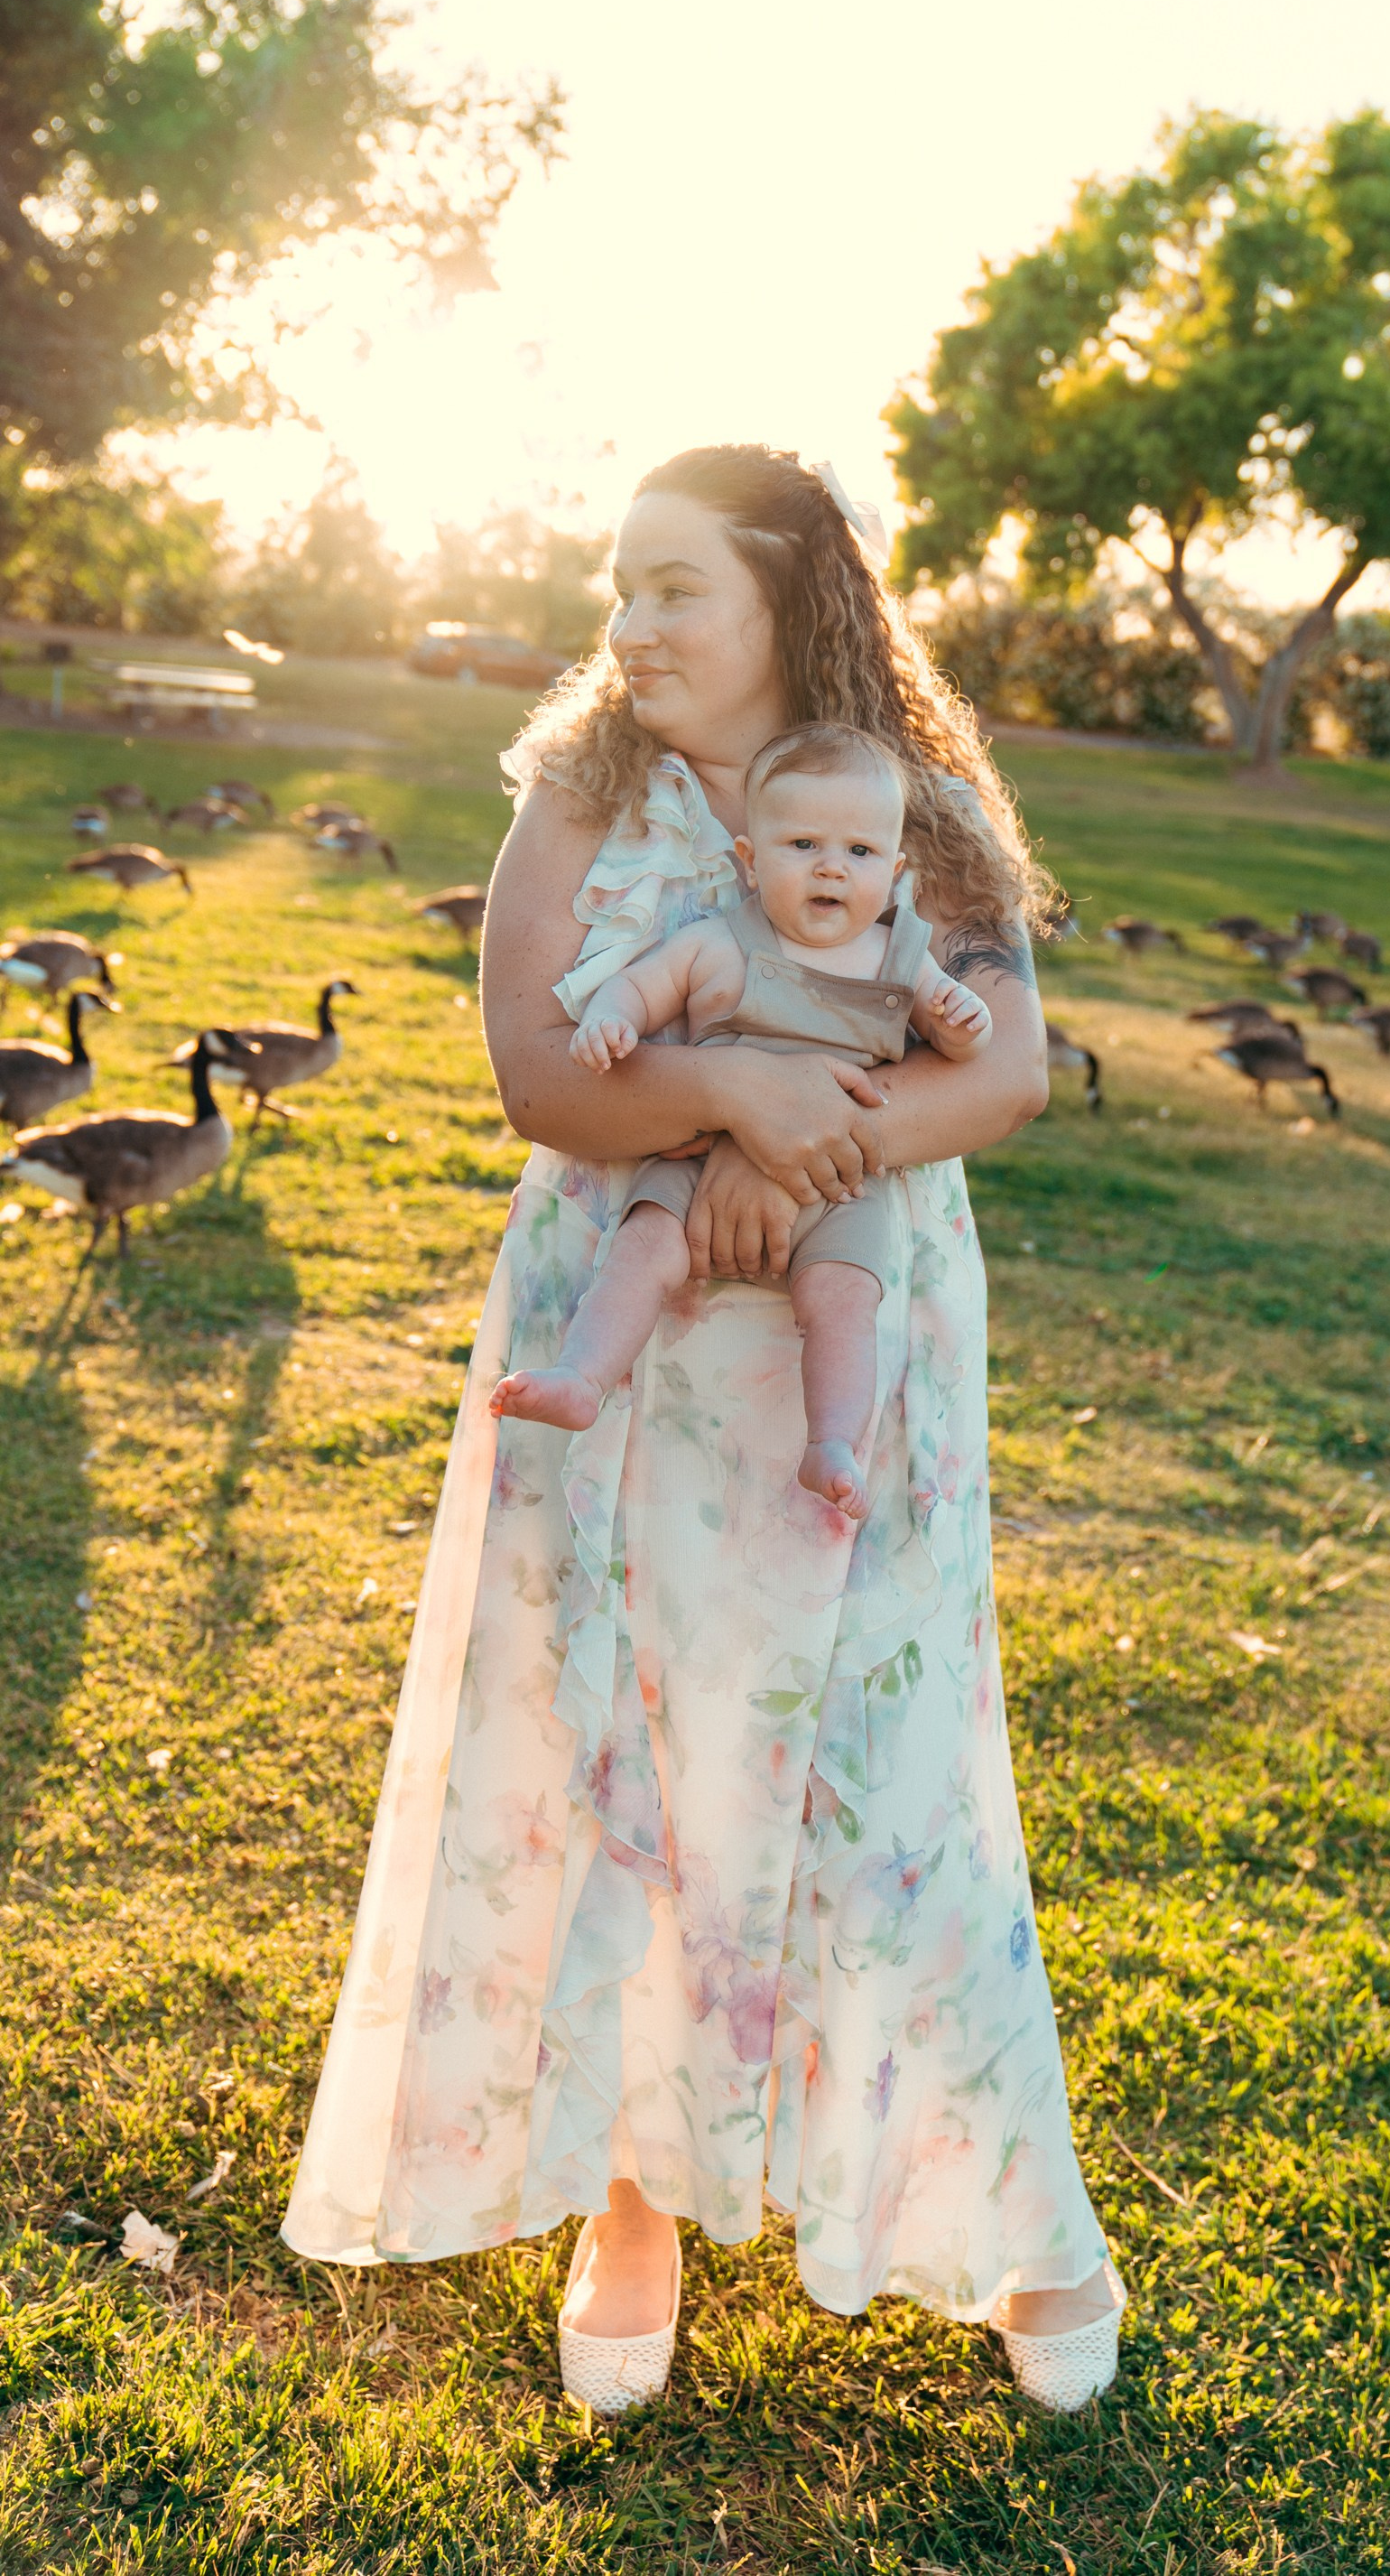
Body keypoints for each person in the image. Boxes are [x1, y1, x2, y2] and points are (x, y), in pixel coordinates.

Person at [281, 446, 1124, 2421]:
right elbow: (531, 1078)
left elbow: (996, 1069)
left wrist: (805, 1152)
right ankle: (633, 2200)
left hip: (850, 1340)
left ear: (788, 594)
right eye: (616, 585)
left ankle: (1023, 2217)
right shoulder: (578, 795)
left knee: (884, 1755)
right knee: (626, 1744)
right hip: (624, 1326)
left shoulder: (915, 807)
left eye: (674, 588)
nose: (631, 624)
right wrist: (729, 1094)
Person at [486, 719, 994, 1523]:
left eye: (860, 854)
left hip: (838, 1183)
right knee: (642, 1249)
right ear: (749, 862)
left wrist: (964, 1018)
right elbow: (636, 990)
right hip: (700, 1159)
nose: (832, 865)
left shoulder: (901, 956)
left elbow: (961, 1030)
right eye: (802, 845)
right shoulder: (715, 943)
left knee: (844, 1299)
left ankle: (832, 1440)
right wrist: (611, 1021)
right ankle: (582, 1376)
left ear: (894, 873)